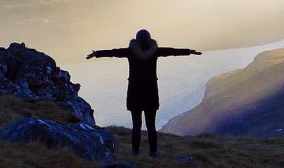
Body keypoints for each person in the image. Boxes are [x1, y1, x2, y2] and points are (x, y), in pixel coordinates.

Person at [86, 29, 202, 157]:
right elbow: (172, 51)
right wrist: (189, 51)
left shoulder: (130, 51)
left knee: (136, 125)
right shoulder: (155, 51)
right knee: (151, 126)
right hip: (151, 93)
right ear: (149, 40)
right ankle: (153, 152)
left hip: (134, 94)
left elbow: (114, 53)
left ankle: (136, 152)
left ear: (136, 40)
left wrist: (97, 53)